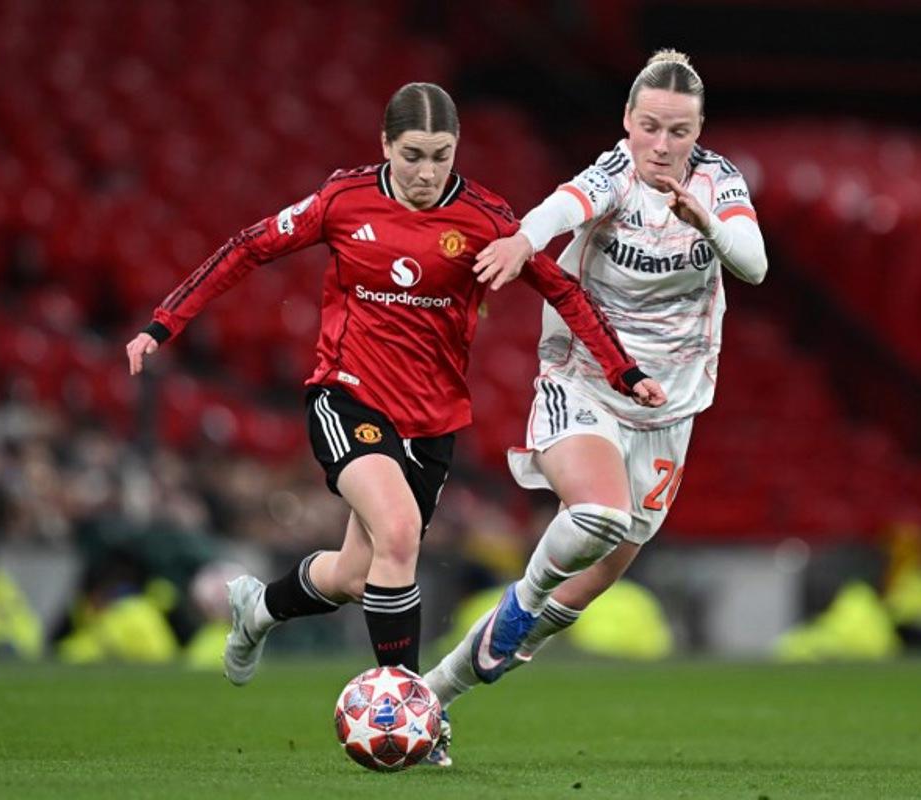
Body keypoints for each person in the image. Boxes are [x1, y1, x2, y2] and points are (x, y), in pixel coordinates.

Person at [124, 82, 666, 687]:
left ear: (457, 149)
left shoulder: (486, 218)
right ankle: (406, 706)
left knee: (359, 573)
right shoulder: (343, 200)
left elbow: (563, 289)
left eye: (441, 155)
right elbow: (248, 247)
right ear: (385, 145)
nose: (426, 171)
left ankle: (259, 609)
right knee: (401, 533)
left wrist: (626, 371)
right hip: (347, 394)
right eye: (412, 155)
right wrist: (162, 323)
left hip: (432, 421)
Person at [420, 50, 769, 766]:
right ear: (628, 123)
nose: (662, 146)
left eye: (678, 131)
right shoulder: (615, 173)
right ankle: (519, 602)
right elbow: (563, 205)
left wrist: (705, 219)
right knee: (597, 517)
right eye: (649, 127)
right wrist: (521, 240)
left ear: (698, 130)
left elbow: (754, 262)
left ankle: (433, 696)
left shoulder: (719, 183)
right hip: (585, 380)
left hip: (671, 407)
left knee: (585, 590)